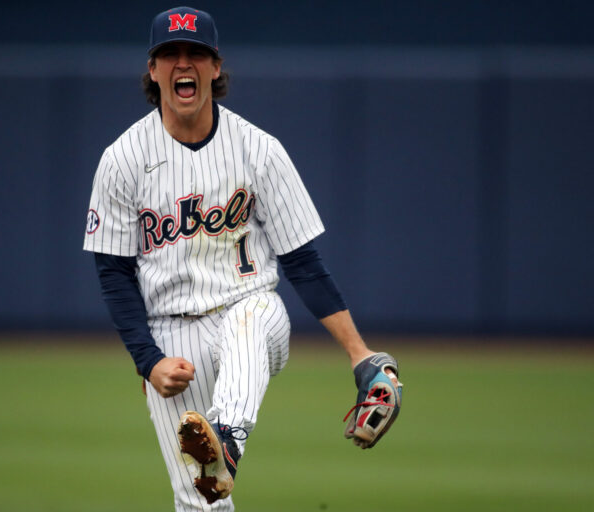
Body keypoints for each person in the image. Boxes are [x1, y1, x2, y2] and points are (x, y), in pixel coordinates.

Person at [84, 6, 401, 511]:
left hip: (250, 318)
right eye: (170, 54)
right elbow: (114, 274)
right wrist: (148, 362)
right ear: (152, 69)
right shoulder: (123, 159)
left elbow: (303, 262)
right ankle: (217, 462)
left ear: (215, 66)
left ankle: (227, 440)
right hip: (172, 340)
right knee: (201, 503)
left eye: (195, 54)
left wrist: (359, 354)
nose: (182, 64)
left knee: (252, 315)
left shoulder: (259, 150)